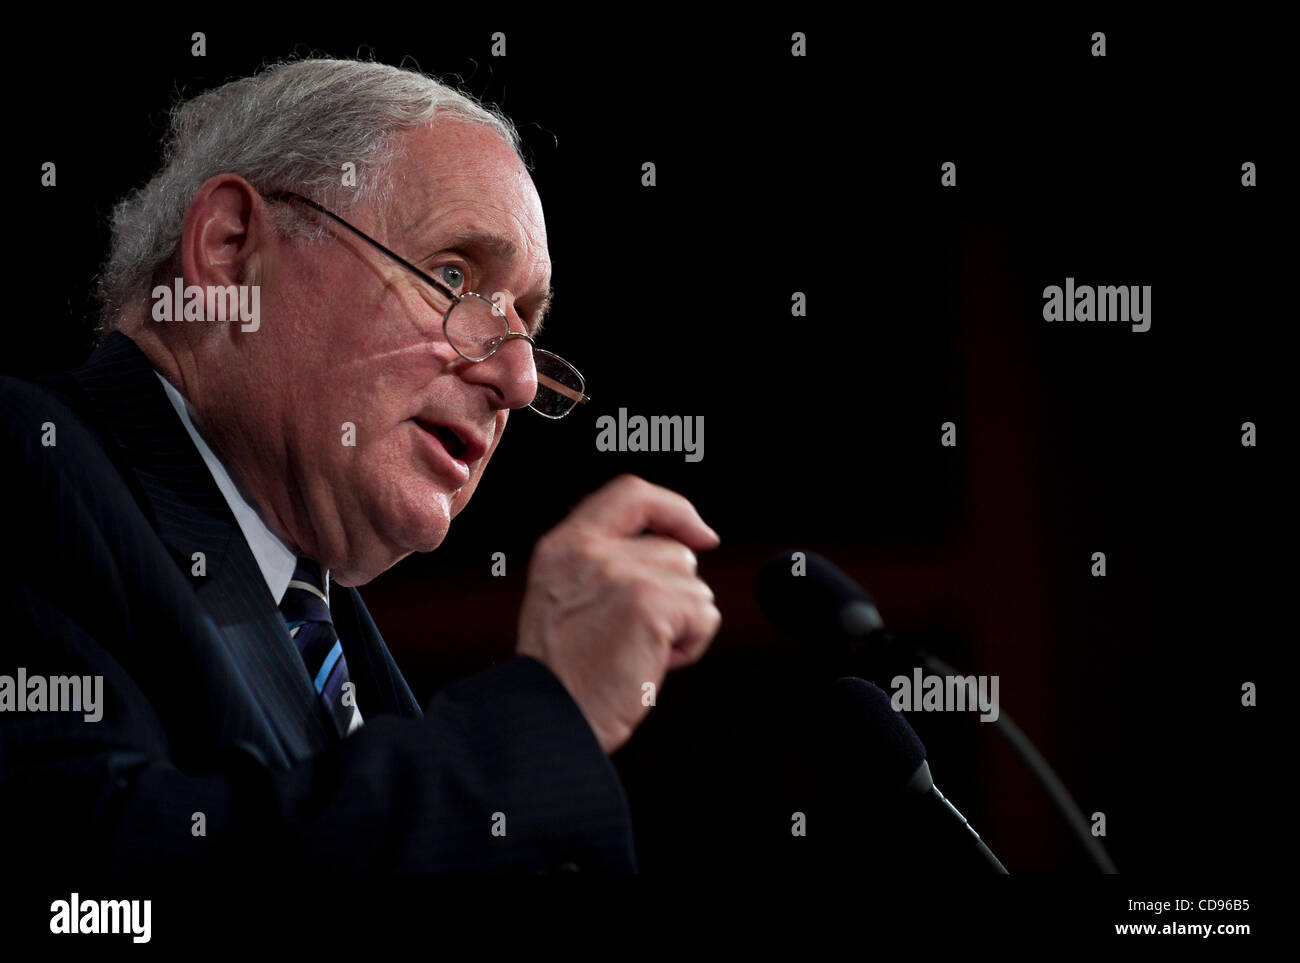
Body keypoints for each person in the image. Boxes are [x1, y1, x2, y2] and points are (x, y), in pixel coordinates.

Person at [0, 58, 722, 872]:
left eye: (527, 322)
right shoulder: (26, 470)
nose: (519, 380)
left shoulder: (329, 634)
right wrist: (539, 725)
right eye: (453, 276)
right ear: (232, 253)